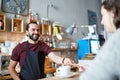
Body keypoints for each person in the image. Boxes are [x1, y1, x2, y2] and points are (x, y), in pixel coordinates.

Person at [8, 22, 81, 80]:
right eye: (33, 30)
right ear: (27, 32)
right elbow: (11, 68)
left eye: (38, 30)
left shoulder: (43, 46)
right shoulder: (19, 48)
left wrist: (64, 60)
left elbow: (53, 57)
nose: (36, 32)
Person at [79, 0, 120, 80]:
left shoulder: (115, 41)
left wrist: (93, 71)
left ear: (112, 13)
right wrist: (94, 68)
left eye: (103, 15)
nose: (102, 22)